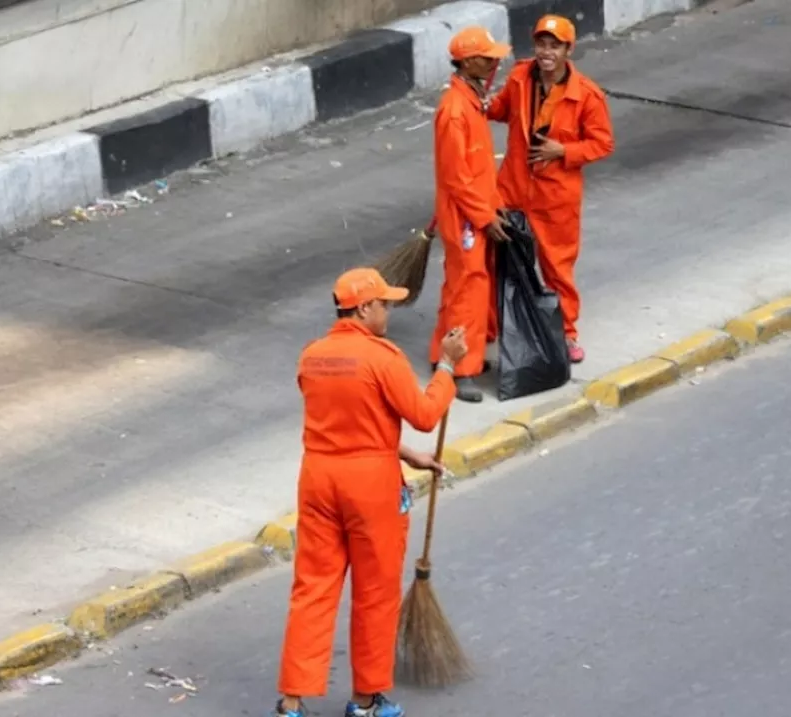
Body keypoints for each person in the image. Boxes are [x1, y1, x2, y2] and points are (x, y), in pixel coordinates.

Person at [275, 267, 468, 717]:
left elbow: (348, 420)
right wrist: (446, 366)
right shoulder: (383, 358)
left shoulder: (312, 356)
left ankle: (291, 703)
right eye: (385, 304)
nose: (390, 311)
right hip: (369, 487)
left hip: (319, 479)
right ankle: (364, 702)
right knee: (375, 591)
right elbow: (423, 413)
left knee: (313, 588)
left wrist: (403, 452)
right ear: (363, 307)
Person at [486, 14, 615, 364]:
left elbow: (602, 144)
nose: (547, 51)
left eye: (554, 45)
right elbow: (499, 110)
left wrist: (564, 151)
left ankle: (566, 333)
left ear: (567, 50)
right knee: (501, 261)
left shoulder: (586, 95)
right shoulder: (519, 78)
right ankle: (493, 327)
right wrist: (477, 99)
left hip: (556, 198)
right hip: (512, 188)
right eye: (542, 43)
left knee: (557, 267)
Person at [429, 25, 514, 404]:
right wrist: (484, 216)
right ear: (468, 61)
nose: (494, 60)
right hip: (467, 216)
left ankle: (443, 353)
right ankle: (461, 370)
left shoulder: (469, 101)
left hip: (473, 212)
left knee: (462, 285)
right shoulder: (455, 111)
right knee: (469, 289)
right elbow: (457, 177)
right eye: (487, 56)